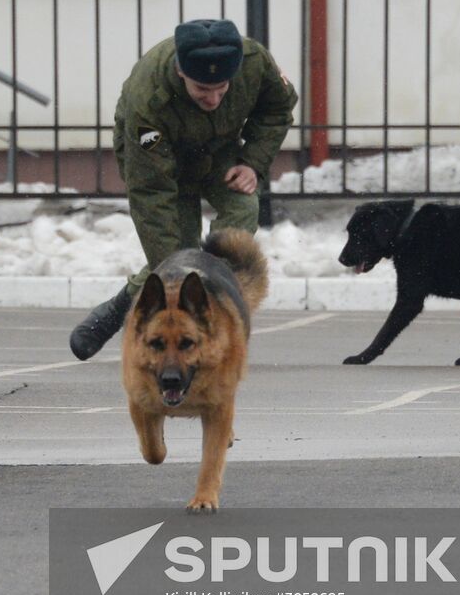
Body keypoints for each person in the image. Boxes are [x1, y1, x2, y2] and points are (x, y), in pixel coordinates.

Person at [69, 19, 297, 360]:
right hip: (160, 159)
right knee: (180, 251)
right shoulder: (148, 98)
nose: (214, 99)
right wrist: (173, 274)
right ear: (180, 72)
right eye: (203, 90)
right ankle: (119, 309)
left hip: (219, 149)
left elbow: (278, 107)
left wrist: (252, 161)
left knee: (243, 207)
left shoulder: (252, 62)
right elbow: (152, 195)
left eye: (222, 88)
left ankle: (210, 307)